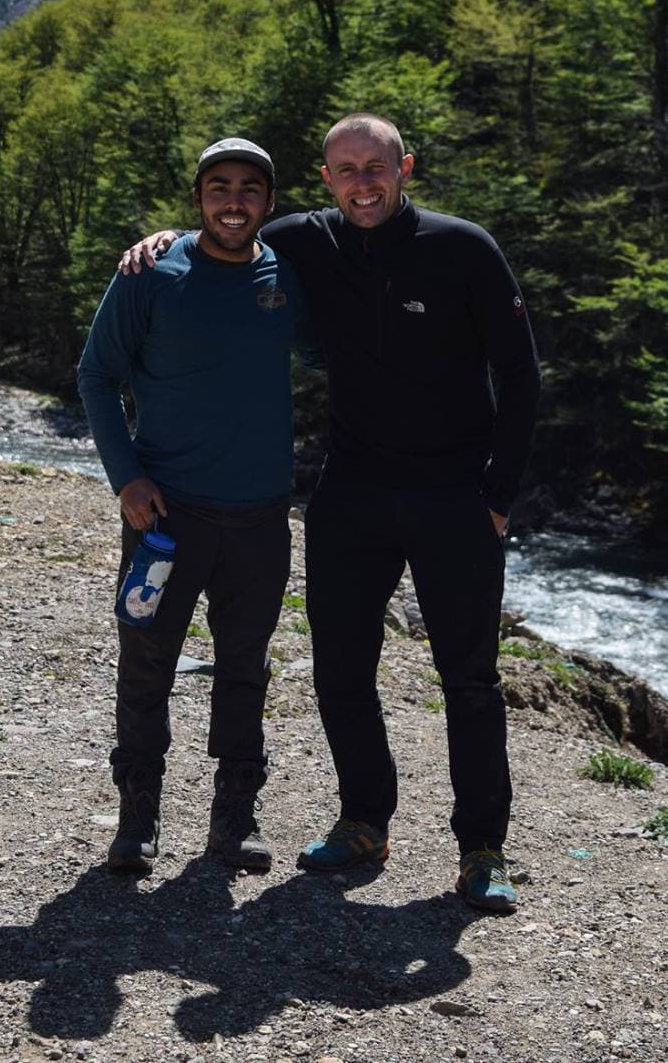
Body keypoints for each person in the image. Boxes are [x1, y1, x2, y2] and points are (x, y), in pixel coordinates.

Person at [121, 112, 540, 914]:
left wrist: (498, 493)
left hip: (455, 495)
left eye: (375, 167)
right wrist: (166, 237)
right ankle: (363, 819)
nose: (362, 183)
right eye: (345, 170)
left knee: (471, 679)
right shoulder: (307, 242)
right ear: (325, 181)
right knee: (343, 670)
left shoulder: (463, 247)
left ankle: (483, 846)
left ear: (405, 166)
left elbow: (520, 375)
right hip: (350, 491)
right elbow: (226, 228)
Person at [77, 137, 314, 875]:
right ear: (198, 198)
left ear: (269, 203)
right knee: (146, 662)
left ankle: (234, 818)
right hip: (164, 517)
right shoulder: (151, 273)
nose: (234, 199)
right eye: (219, 186)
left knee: (246, 666)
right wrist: (127, 477)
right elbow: (96, 375)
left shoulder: (290, 275)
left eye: (249, 187)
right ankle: (137, 815)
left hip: (260, 518)